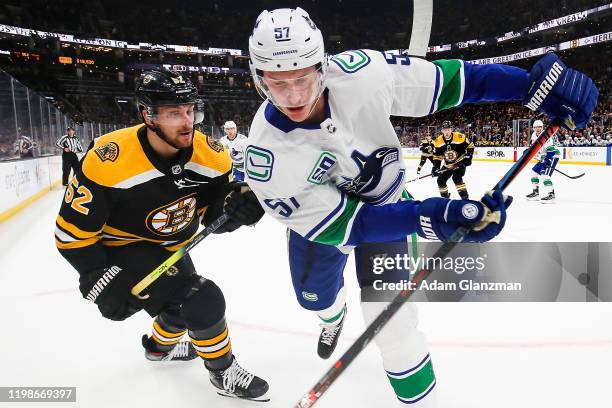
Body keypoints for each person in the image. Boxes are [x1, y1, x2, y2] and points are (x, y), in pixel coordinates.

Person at [244, 7, 597, 406]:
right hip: (330, 225)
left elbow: (456, 82)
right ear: (260, 78)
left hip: (390, 208)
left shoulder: (363, 74)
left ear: (321, 67)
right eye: (277, 81)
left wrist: (531, 85)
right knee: (315, 298)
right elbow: (351, 227)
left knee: (392, 324)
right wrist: (430, 217)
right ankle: (331, 316)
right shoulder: (265, 157)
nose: (293, 95)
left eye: (302, 78)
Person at [54, 70, 269, 401]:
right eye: (173, 113)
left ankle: (157, 349)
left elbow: (212, 216)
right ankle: (222, 371)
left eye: (190, 110)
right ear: (147, 114)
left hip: (173, 246)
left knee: (177, 306)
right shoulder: (108, 159)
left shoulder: (211, 155)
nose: (187, 122)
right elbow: (70, 235)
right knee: (202, 298)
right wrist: (96, 277)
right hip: (122, 248)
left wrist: (235, 209)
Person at [431, 121, 474, 199]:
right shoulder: (438, 141)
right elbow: (437, 156)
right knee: (440, 180)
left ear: (451, 129)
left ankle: (465, 199)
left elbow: (470, 145)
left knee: (457, 178)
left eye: (448, 129)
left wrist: (468, 157)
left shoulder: (460, 137)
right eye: (445, 130)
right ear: (442, 130)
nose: (446, 132)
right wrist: (436, 167)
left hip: (459, 162)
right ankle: (445, 198)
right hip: (448, 164)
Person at [526, 119, 561, 203]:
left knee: (545, 175)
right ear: (533, 128)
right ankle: (536, 193)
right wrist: (528, 151)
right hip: (545, 156)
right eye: (536, 127)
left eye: (540, 127)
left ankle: (551, 196)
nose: (538, 129)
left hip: (552, 156)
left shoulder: (546, 135)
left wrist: (547, 160)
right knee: (533, 172)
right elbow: (535, 148)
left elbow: (551, 150)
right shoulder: (534, 135)